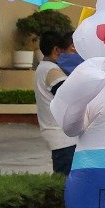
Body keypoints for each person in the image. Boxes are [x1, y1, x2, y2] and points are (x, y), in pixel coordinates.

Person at [34, 28, 77, 174]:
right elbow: (70, 97)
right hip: (62, 137)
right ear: (56, 50)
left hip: (58, 135)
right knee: (65, 180)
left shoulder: (43, 67)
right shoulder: (52, 70)